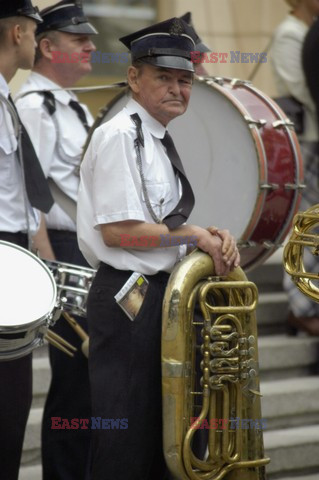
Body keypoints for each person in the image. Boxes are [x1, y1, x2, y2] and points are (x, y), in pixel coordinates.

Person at [77, 17, 240, 480]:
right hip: (131, 297)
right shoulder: (119, 135)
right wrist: (192, 236)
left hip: (161, 296)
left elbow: (155, 222)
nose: (177, 89)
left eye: (185, 80)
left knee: (163, 441)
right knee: (125, 443)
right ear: (133, 77)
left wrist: (205, 236)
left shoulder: (154, 137)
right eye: (164, 77)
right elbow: (119, 234)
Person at [15, 2, 98, 478]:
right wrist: (48, 269)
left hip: (84, 250)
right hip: (59, 254)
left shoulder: (74, 106)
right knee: (74, 382)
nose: (91, 47)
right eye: (78, 40)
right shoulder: (34, 106)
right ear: (46, 47)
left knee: (91, 384)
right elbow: (32, 195)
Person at [0, 2, 54, 479]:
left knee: (13, 404)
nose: (37, 42)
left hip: (13, 255)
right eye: (36, 33)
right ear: (17, 32)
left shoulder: (5, 96)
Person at [271, 0, 319, 335]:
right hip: (306, 140)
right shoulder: (289, 33)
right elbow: (303, 89)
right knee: (306, 224)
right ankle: (300, 306)